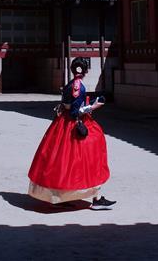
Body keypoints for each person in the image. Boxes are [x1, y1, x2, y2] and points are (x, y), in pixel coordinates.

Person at [27, 57, 116, 210]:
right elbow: (76, 112)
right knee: (91, 156)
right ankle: (96, 198)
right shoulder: (78, 87)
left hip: (62, 125)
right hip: (73, 124)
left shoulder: (70, 84)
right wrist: (93, 106)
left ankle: (60, 197)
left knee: (62, 161)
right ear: (86, 70)